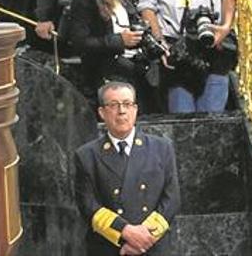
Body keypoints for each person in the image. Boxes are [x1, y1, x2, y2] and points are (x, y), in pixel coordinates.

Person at [74, 81, 180, 255]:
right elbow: (88, 204)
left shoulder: (161, 148)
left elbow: (172, 199)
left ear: (135, 109)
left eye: (127, 104)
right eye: (113, 105)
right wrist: (126, 232)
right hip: (110, 248)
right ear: (102, 112)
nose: (121, 111)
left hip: (153, 246)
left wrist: (142, 240)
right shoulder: (86, 155)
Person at [58, 0, 160, 113]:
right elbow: (80, 42)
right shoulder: (84, 0)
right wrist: (119, 41)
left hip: (134, 71)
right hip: (107, 75)